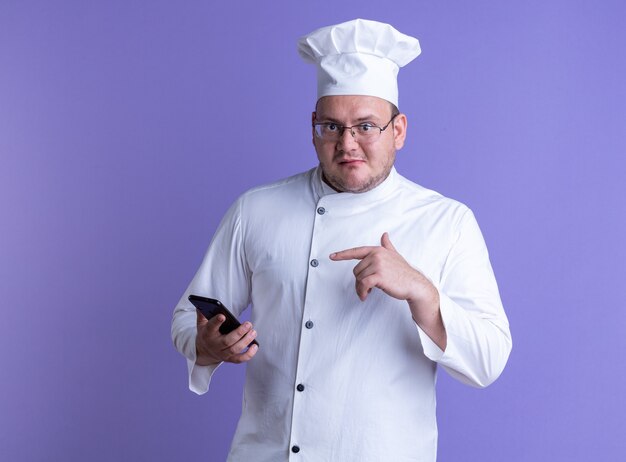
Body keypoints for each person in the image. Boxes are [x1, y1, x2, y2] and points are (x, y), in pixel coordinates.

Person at [171, 18, 512, 462]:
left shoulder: (446, 222)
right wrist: (205, 344)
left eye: (366, 126)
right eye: (331, 127)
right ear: (314, 126)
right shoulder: (256, 209)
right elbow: (187, 314)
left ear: (399, 130)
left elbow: (489, 360)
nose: (348, 144)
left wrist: (421, 292)